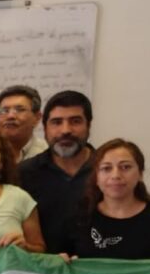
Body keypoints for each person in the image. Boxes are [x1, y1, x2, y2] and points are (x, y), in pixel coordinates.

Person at [64, 139, 150, 260]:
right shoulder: (79, 218)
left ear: (140, 174)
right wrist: (61, 261)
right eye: (106, 168)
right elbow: (63, 263)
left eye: (125, 167)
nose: (116, 175)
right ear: (96, 177)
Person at [18, 90, 95, 254]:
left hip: (99, 268)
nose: (65, 130)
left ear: (88, 125)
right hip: (42, 267)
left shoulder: (109, 171)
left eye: (75, 121)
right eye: (56, 122)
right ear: (45, 128)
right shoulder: (23, 174)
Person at [0, 85, 47, 162]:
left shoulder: (48, 155)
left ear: (37, 118)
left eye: (19, 110)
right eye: (4, 111)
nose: (10, 116)